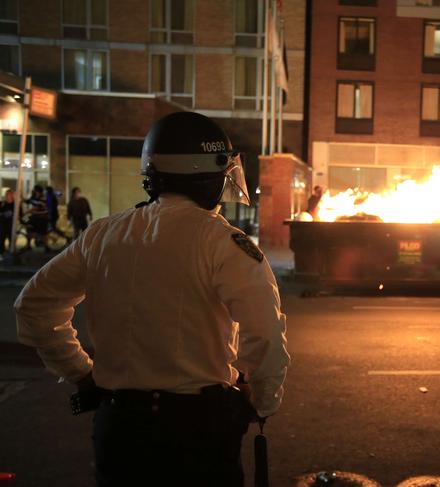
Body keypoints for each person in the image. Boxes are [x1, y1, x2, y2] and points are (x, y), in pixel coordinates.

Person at [14, 112, 290, 486]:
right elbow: (267, 335)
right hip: (198, 430)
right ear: (209, 177)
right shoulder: (222, 242)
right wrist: (261, 402)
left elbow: (34, 306)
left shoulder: (102, 235)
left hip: (119, 427)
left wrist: (80, 371)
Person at [0, 189, 14, 254]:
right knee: (2, 238)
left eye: (9, 194)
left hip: (11, 224)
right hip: (3, 223)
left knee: (11, 238)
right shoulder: (2, 203)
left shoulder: (15, 204)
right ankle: (2, 251)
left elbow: (20, 214)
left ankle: (11, 251)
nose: (8, 196)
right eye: (7, 195)